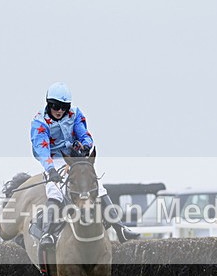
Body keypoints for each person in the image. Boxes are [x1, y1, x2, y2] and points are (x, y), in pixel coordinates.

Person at [30, 82, 139, 246]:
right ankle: (47, 233)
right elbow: (42, 150)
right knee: (55, 191)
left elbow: (85, 135)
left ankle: (120, 228)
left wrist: (86, 145)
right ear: (48, 104)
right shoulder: (39, 123)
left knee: (98, 186)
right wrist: (51, 170)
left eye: (64, 107)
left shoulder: (75, 114)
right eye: (55, 106)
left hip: (75, 157)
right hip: (53, 158)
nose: (60, 111)